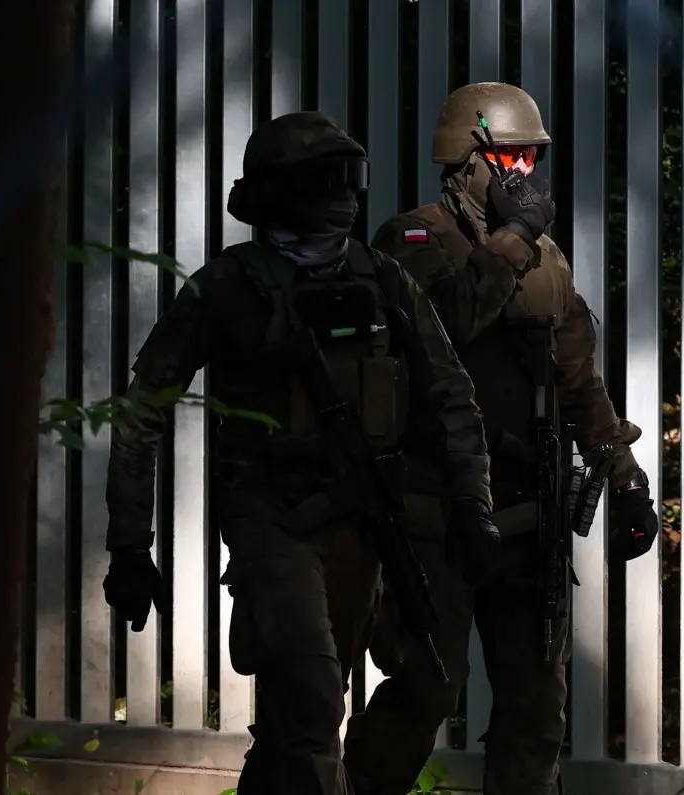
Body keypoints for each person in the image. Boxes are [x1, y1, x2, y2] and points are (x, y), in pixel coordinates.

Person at [99, 111, 499, 795]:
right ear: (281, 191)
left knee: (316, 714)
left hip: (364, 515)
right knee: (314, 700)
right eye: (325, 180)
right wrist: (132, 544)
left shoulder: (384, 279)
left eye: (351, 178)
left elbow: (452, 394)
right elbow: (144, 410)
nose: (344, 196)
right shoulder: (227, 286)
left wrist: (472, 501)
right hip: (270, 514)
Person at [344, 82, 660, 795]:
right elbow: (440, 330)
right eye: (510, 155)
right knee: (428, 683)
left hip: (528, 517)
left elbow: (578, 375)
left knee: (535, 707)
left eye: (531, 157)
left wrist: (625, 473)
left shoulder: (545, 259)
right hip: (440, 512)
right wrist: (512, 241)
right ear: (466, 160)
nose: (524, 172)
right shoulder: (414, 240)